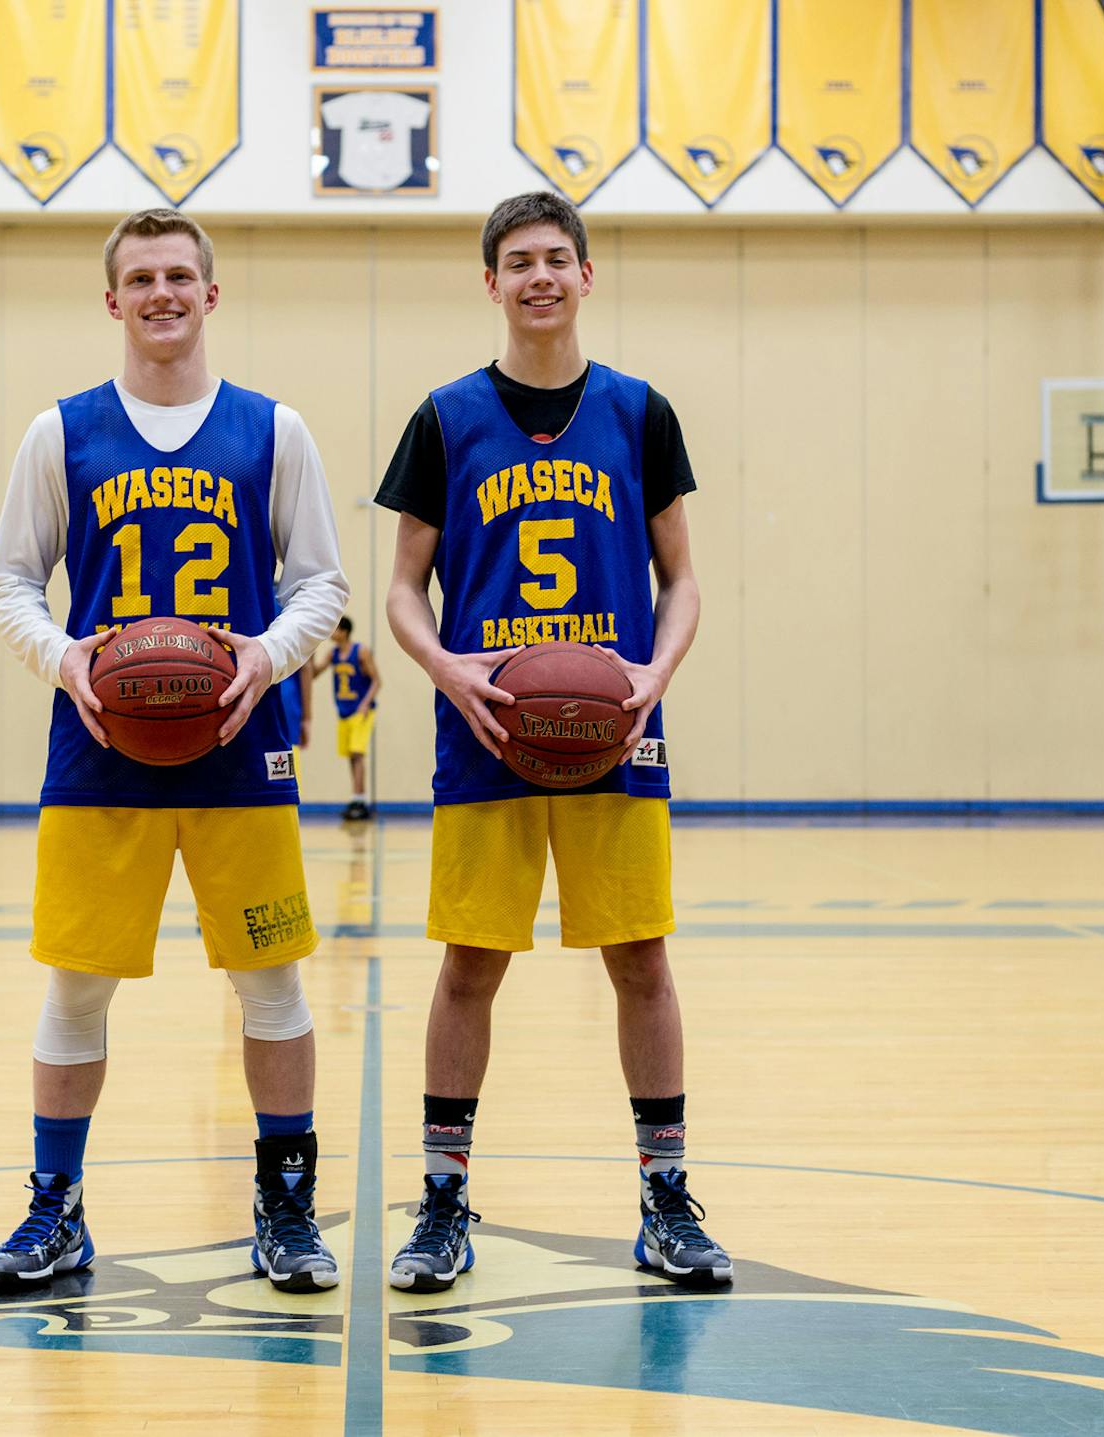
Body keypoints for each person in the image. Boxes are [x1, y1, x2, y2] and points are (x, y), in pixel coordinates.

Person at [0, 208, 350, 1293]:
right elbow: (8, 581)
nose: (162, 294)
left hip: (243, 753)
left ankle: (285, 1207)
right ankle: (59, 1211)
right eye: (140, 278)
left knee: (271, 988)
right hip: (101, 756)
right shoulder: (63, 433)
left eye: (180, 275)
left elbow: (319, 582)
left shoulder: (273, 429)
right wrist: (67, 662)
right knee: (77, 993)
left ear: (210, 294)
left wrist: (266, 658)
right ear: (113, 301)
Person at [375, 191, 730, 1291]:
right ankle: (441, 1204)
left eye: (556, 259)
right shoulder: (444, 416)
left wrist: (655, 672)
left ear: (586, 277)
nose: (538, 276)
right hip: (487, 735)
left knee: (641, 959)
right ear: (491, 283)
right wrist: (446, 668)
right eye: (518, 260)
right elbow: (401, 589)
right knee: (470, 964)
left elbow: (682, 583)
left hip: (615, 733)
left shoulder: (640, 412)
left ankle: (665, 1201)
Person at [313, 616, 381, 821]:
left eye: (334, 629)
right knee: (351, 757)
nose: (331, 634)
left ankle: (361, 800)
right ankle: (356, 797)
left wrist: (364, 703)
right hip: (343, 711)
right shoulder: (333, 654)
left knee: (357, 753)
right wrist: (308, 650)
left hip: (362, 711)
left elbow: (377, 681)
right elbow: (314, 673)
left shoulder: (360, 651)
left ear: (344, 631)